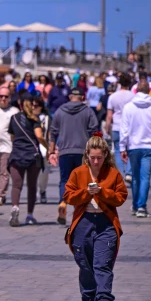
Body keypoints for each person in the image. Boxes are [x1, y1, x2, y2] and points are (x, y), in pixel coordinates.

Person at [64, 136, 128, 301]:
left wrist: (102, 192)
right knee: (85, 263)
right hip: (83, 222)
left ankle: (105, 299)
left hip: (105, 223)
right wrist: (86, 192)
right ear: (87, 155)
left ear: (105, 155)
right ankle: (87, 300)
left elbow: (120, 197)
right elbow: (68, 196)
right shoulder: (78, 173)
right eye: (92, 157)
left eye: (99, 157)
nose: (96, 161)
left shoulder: (113, 174)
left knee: (102, 262)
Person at [47, 88, 99, 225]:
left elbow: (53, 132)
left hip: (64, 151)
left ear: (70, 97)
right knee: (81, 182)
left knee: (65, 180)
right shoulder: (88, 111)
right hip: (82, 151)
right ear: (82, 97)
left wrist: (52, 150)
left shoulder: (60, 111)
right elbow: (94, 130)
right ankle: (78, 211)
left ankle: (63, 202)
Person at [119, 81, 151, 218]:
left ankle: (136, 205)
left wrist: (122, 147)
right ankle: (141, 206)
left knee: (135, 177)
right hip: (149, 146)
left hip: (133, 146)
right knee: (145, 177)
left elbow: (124, 129)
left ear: (135, 90)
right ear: (149, 91)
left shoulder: (128, 107)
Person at [7, 95, 47, 227]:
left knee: (16, 185)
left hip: (17, 154)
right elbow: (39, 136)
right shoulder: (35, 118)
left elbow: (12, 137)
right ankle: (29, 215)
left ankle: (15, 207)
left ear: (20, 103)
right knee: (32, 186)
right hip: (32, 155)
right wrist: (48, 148)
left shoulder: (14, 118)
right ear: (32, 103)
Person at [105, 72, 135, 182]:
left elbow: (109, 116)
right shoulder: (133, 96)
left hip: (117, 127)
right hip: (130, 127)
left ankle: (121, 172)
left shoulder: (112, 97)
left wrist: (107, 128)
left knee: (117, 150)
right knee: (131, 149)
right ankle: (129, 172)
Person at [33, 98, 52, 203]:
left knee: (44, 172)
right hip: (31, 147)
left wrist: (51, 148)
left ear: (41, 107)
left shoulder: (46, 118)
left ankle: (42, 190)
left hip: (44, 146)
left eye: (36, 106)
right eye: (32, 105)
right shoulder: (28, 117)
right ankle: (34, 192)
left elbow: (49, 133)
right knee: (33, 171)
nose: (33, 108)